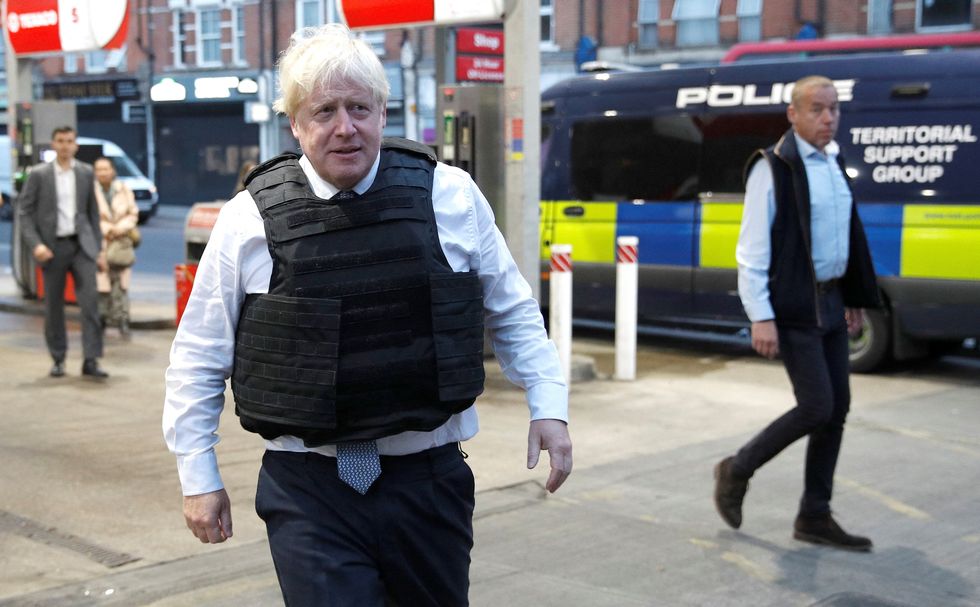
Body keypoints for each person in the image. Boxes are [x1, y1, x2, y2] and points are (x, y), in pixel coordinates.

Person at [163, 24, 572, 606]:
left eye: (359, 107)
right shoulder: (246, 219)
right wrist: (197, 476)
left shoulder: (450, 195)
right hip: (309, 491)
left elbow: (511, 308)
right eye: (324, 110)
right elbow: (199, 355)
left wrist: (548, 403)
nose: (344, 127)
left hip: (428, 480)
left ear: (383, 112)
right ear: (296, 123)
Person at [713, 76, 880, 552]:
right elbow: (751, 250)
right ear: (793, 114)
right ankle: (737, 467)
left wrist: (854, 297)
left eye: (834, 109)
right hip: (792, 306)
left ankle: (814, 515)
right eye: (817, 109)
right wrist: (760, 316)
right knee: (817, 406)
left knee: (837, 411)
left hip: (829, 301)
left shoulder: (832, 162)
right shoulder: (774, 168)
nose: (828, 118)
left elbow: (844, 236)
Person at [18, 126, 109, 379]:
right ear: (53, 144)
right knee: (53, 307)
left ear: (75, 145)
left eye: (70, 141)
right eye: (60, 141)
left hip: (82, 246)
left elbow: (92, 214)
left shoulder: (85, 172)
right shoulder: (39, 174)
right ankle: (58, 359)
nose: (65, 145)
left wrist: (98, 250)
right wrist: (36, 244)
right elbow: (24, 213)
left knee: (90, 304)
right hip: (52, 247)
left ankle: (91, 359)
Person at [94, 157, 139, 339]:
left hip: (121, 243)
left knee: (121, 284)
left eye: (106, 169)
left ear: (112, 170)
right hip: (101, 243)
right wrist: (108, 229)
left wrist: (119, 229)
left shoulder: (123, 189)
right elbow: (89, 217)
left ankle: (123, 321)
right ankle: (102, 321)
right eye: (99, 169)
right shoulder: (91, 191)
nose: (103, 172)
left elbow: (133, 213)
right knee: (102, 285)